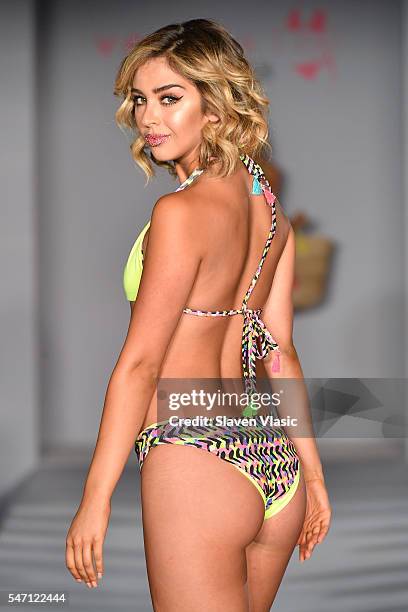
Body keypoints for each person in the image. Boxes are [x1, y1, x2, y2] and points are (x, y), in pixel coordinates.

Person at [65, 18, 332, 611]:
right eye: (139, 99)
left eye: (170, 98)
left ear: (215, 107)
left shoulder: (178, 214)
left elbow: (141, 364)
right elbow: (280, 351)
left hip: (195, 456)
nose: (148, 118)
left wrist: (94, 498)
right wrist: (311, 477)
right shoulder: (272, 212)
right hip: (273, 460)